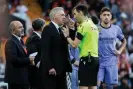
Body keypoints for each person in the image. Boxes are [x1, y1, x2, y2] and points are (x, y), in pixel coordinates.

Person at [62, 4, 99, 89]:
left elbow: (74, 45)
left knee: (83, 87)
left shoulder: (83, 26)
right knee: (92, 86)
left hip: (86, 59)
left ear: (81, 13)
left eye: (75, 14)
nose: (74, 17)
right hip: (95, 59)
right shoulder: (93, 25)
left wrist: (67, 36)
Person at [38, 7, 72, 89]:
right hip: (53, 71)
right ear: (54, 16)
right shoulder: (48, 28)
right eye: (62, 15)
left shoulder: (61, 29)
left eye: (64, 15)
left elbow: (67, 43)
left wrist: (72, 29)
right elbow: (45, 51)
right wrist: (50, 67)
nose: (64, 17)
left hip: (61, 69)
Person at [97, 7, 127, 89]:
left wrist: (120, 51)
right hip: (99, 61)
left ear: (111, 16)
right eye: (104, 15)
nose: (106, 17)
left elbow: (124, 41)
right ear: (100, 16)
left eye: (108, 15)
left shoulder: (116, 28)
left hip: (111, 62)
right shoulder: (96, 28)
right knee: (97, 85)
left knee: (109, 87)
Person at [4, 21, 35, 89]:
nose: (23, 28)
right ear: (13, 31)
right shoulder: (11, 42)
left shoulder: (20, 40)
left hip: (23, 78)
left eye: (22, 27)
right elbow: (14, 60)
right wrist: (28, 60)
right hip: (16, 79)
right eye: (20, 27)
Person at [26, 18, 45, 89]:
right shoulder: (34, 38)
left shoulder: (35, 37)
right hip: (36, 72)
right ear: (41, 27)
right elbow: (33, 54)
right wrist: (41, 67)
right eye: (44, 26)